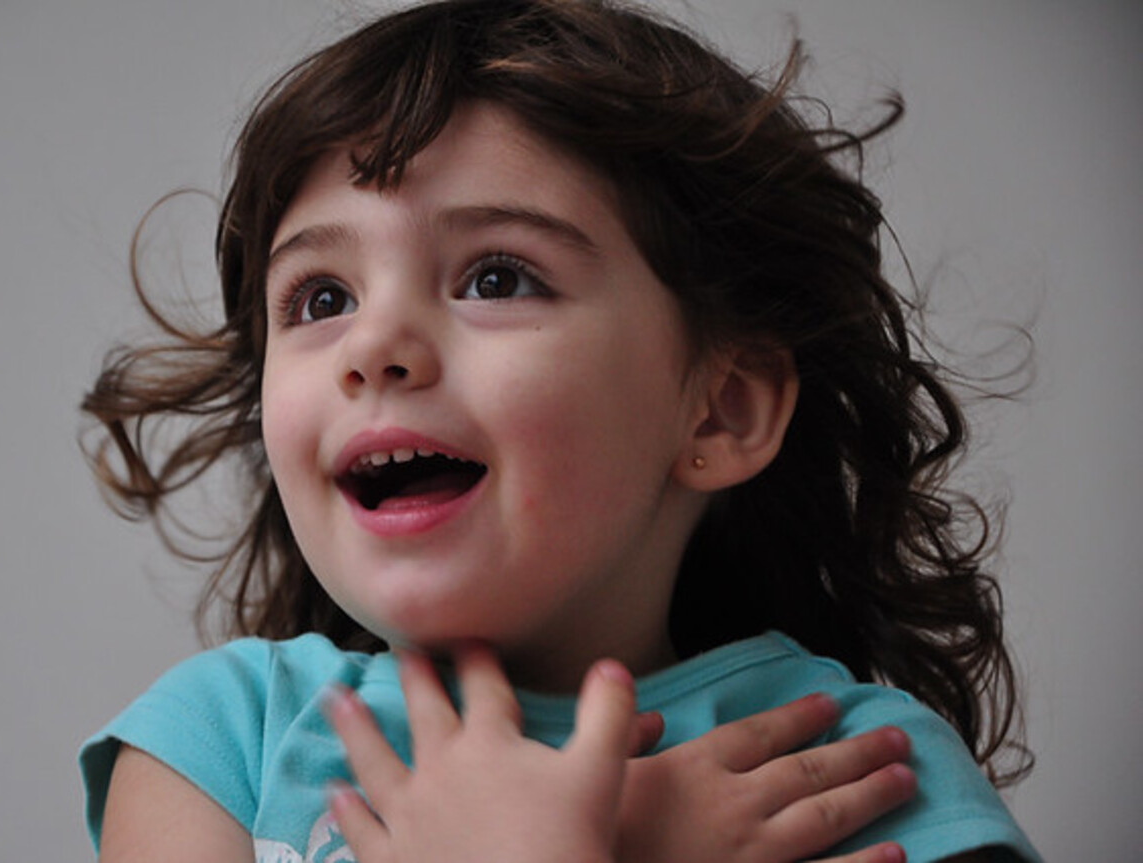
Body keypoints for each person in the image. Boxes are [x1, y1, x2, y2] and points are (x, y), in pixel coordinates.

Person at [78, 1, 1040, 861]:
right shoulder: (217, 742)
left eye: (496, 277)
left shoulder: (861, 776)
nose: (372, 347)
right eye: (322, 297)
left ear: (722, 408)